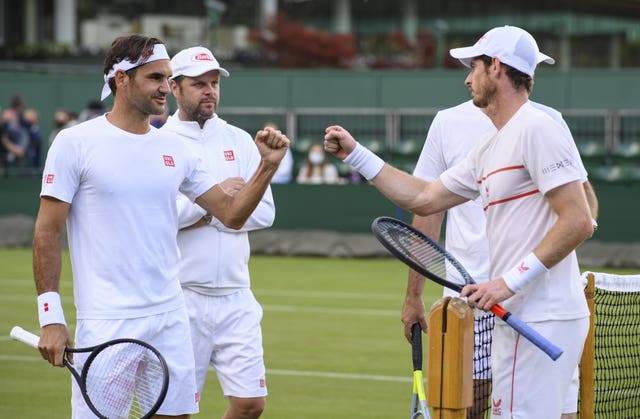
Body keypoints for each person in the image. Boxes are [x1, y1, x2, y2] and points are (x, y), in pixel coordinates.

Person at [325, 25, 594, 418]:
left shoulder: (538, 128)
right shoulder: (489, 145)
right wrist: (356, 154)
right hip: (528, 316)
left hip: (541, 316)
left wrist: (506, 282)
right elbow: (423, 197)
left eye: (475, 66)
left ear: (497, 68)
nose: (468, 78)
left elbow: (579, 221)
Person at [32, 34, 289, 419]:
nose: (164, 88)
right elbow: (46, 232)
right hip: (108, 321)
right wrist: (51, 316)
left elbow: (232, 215)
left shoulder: (176, 150)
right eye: (155, 78)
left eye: (167, 78)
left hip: (171, 317)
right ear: (121, 79)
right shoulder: (75, 143)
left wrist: (266, 166)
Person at [403, 100, 598, 419]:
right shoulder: (447, 122)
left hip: (535, 303)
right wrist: (413, 296)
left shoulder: (548, 122)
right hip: (468, 301)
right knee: (467, 409)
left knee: (558, 411)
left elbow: (585, 212)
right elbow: (426, 206)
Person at [162, 45, 274, 419]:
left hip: (237, 296)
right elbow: (160, 216)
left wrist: (215, 213)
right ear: (174, 88)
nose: (209, 90)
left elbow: (265, 214)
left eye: (213, 83)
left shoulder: (240, 140)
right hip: (181, 297)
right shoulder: (159, 142)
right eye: (198, 84)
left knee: (249, 405)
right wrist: (222, 205)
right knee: (173, 410)